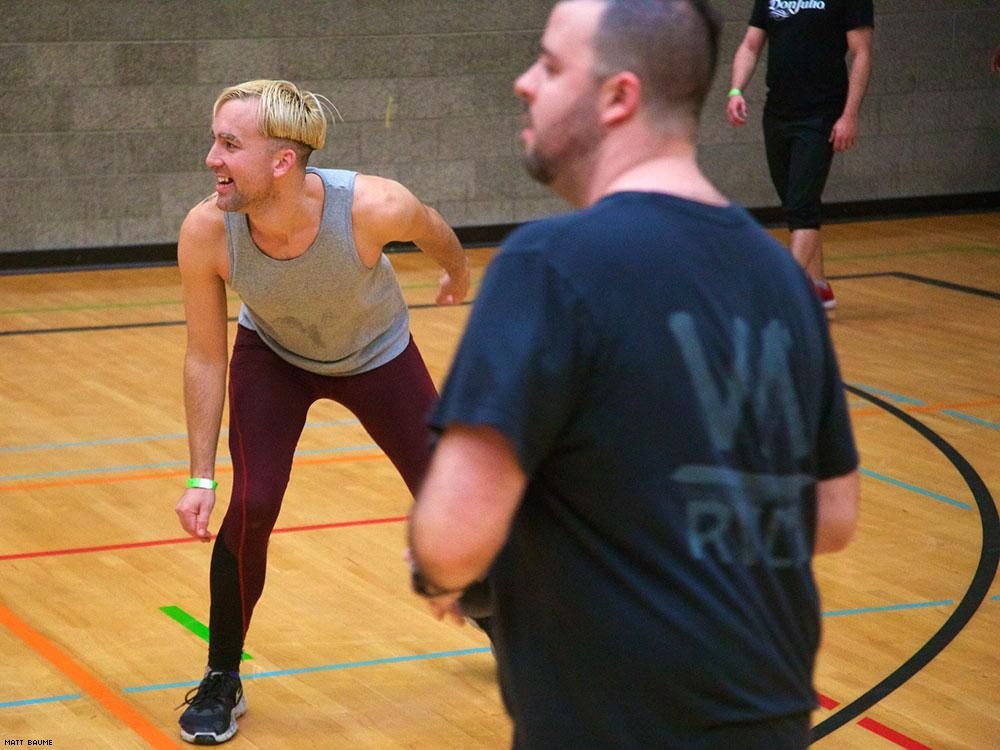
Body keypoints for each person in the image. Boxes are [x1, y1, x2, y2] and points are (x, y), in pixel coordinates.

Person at [407, 1, 860, 748]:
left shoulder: (548, 264)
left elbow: (454, 538)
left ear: (619, 96)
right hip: (771, 720)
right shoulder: (783, 282)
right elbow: (833, 517)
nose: (524, 83)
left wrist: (439, 571)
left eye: (550, 65)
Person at [173, 79, 469, 745]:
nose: (210, 159)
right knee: (250, 505)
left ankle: (505, 623)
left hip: (377, 353)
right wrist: (199, 477)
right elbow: (201, 356)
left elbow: (433, 229)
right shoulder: (206, 230)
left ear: (282, 161)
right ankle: (223, 675)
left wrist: (458, 272)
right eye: (215, 141)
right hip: (275, 356)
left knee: (451, 499)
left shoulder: (372, 206)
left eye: (228, 144)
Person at [726, 0, 873, 315]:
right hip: (777, 114)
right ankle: (818, 286)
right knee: (796, 207)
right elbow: (751, 45)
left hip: (820, 114)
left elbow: (861, 53)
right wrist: (736, 90)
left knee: (801, 206)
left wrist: (849, 115)